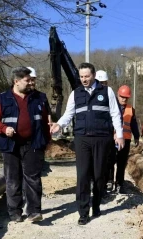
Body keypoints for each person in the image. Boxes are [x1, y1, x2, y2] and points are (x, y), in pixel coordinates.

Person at [49, 62, 124, 225]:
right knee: (82, 175)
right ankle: (83, 212)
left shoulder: (106, 91)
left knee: (98, 175)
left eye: (87, 76)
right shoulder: (76, 94)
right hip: (82, 138)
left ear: (94, 75)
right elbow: (69, 114)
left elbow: (115, 114)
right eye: (81, 76)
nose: (83, 79)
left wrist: (119, 135)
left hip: (102, 138)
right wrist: (59, 124)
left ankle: (96, 205)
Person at [0, 66, 50, 222]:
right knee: (13, 179)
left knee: (33, 178)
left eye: (31, 80)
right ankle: (15, 212)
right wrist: (3, 128)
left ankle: (34, 212)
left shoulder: (40, 97)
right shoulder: (3, 99)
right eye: (27, 80)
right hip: (11, 145)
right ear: (16, 81)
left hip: (33, 144)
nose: (31, 83)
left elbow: (45, 122)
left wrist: (46, 141)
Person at [112, 85, 140, 194]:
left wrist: (136, 136)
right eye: (122, 96)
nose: (124, 99)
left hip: (126, 140)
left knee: (122, 163)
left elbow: (133, 124)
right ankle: (109, 181)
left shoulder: (130, 109)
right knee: (110, 161)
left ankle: (119, 183)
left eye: (126, 97)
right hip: (112, 139)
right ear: (118, 95)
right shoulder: (111, 106)